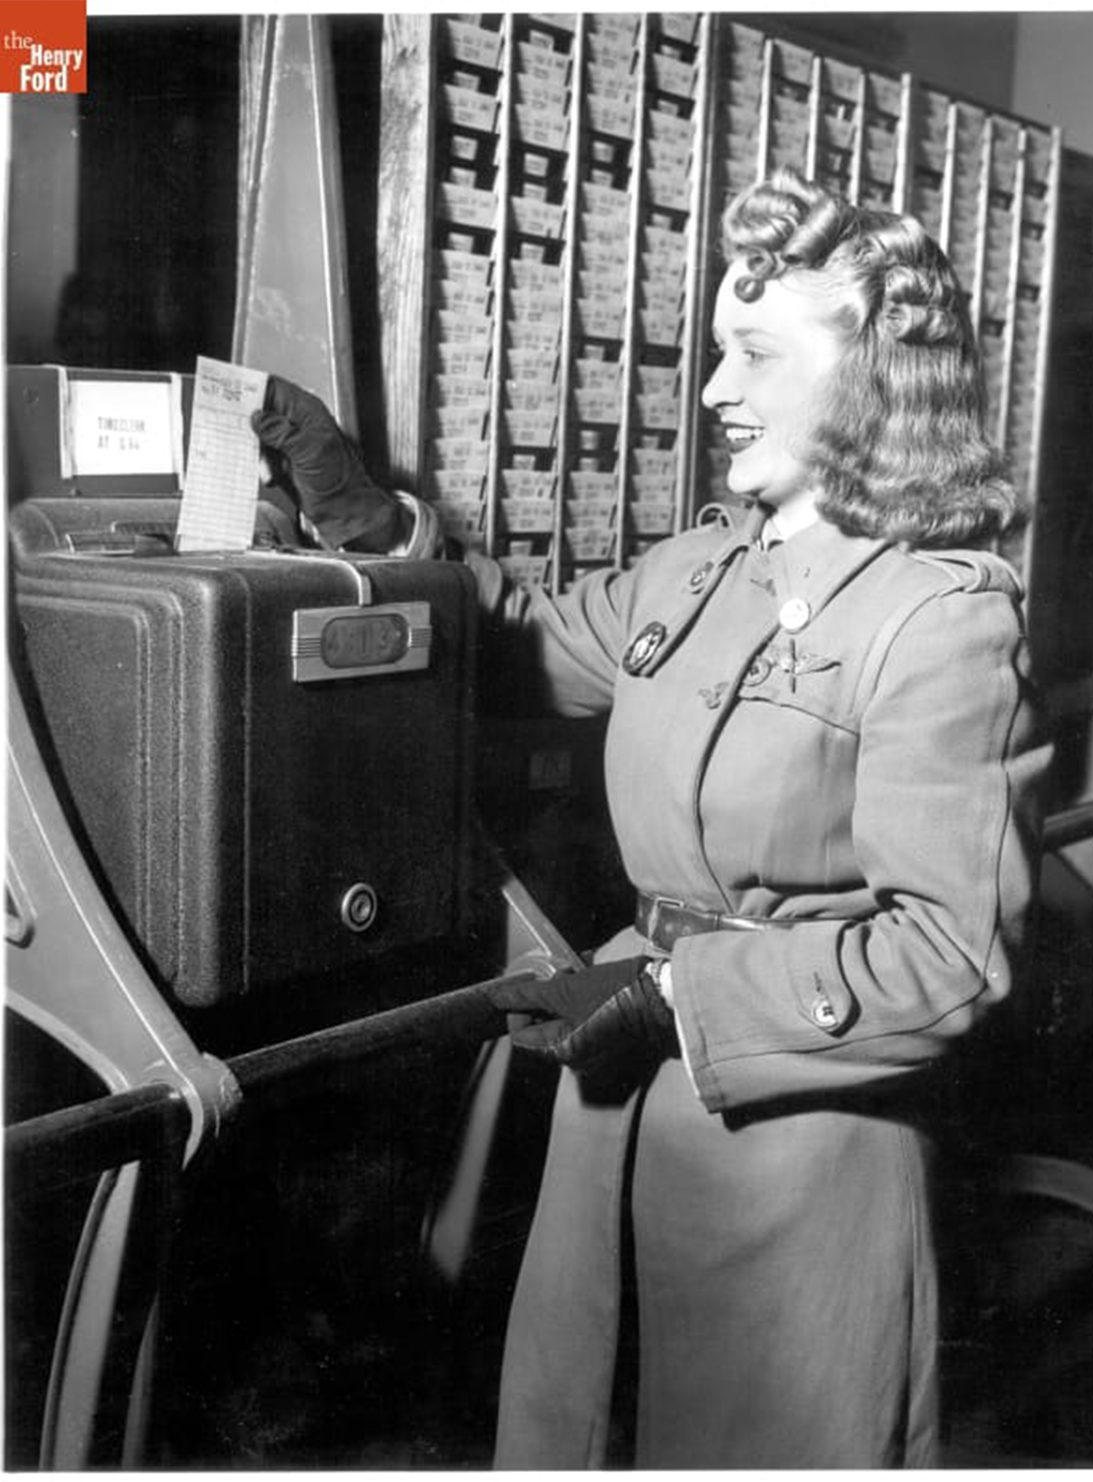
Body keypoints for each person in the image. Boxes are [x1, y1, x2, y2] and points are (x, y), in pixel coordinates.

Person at [256, 168, 1049, 1469]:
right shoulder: (700, 570)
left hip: (793, 1165)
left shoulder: (938, 616)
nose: (713, 390)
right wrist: (366, 514)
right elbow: (505, 655)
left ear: (868, 376)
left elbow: (949, 956)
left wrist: (682, 997)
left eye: (753, 354)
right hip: (611, 1133)